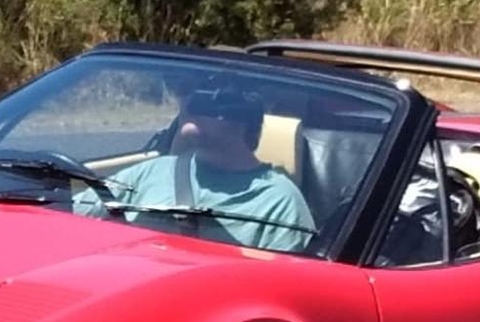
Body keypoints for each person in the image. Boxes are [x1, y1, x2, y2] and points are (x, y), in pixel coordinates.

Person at [77, 85, 316, 253]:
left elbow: (280, 292)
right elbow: (72, 217)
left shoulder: (280, 203)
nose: (188, 102)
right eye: (188, 94)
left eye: (208, 98)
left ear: (242, 120)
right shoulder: (153, 171)